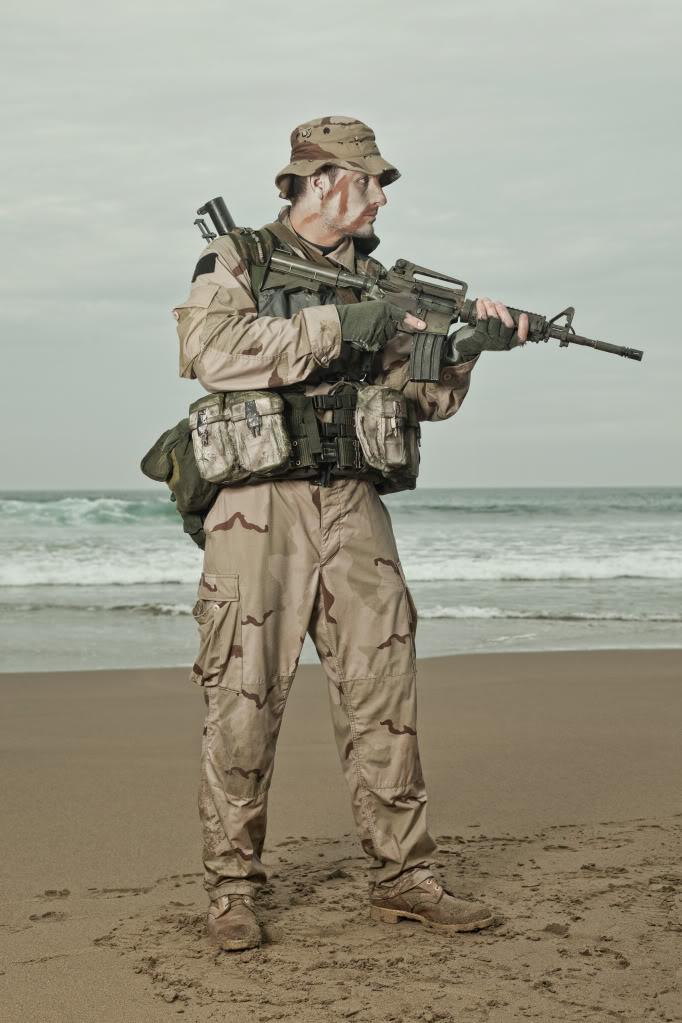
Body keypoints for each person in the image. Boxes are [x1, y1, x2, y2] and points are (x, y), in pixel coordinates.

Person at [172, 115, 528, 951]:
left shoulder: (389, 282)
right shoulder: (241, 259)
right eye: (369, 181)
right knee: (242, 697)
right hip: (257, 508)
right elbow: (211, 351)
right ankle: (231, 887)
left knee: (383, 690)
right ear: (322, 180)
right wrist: (342, 327)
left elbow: (425, 399)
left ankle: (405, 875)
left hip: (352, 501)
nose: (378, 196)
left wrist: (466, 345)